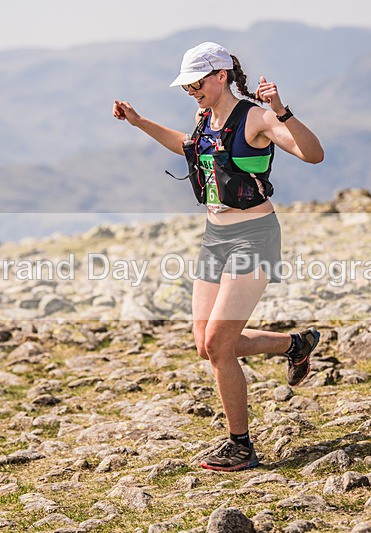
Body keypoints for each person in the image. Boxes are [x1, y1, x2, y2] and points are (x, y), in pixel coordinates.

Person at [113, 42, 323, 471]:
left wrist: (281, 110)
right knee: (206, 347)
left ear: (221, 75)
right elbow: (188, 147)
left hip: (254, 237)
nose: (191, 90)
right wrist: (138, 123)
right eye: (186, 85)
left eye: (197, 82)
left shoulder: (258, 117)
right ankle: (294, 344)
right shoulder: (203, 117)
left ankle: (240, 445)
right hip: (214, 238)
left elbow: (313, 154)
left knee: (218, 344)